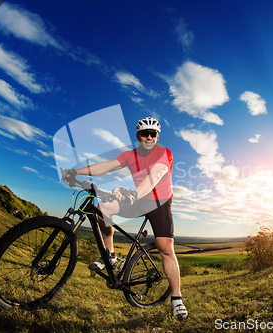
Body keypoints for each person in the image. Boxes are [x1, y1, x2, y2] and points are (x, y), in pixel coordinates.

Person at [62, 117, 188, 321]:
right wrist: (76, 171)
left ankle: (176, 298)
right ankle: (110, 255)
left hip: (159, 202)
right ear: (138, 136)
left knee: (165, 247)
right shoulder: (130, 155)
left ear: (157, 136)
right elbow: (105, 167)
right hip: (138, 197)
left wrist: (134, 194)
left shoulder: (164, 153)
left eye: (153, 134)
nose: (149, 137)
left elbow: (155, 176)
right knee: (103, 207)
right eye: (144, 133)